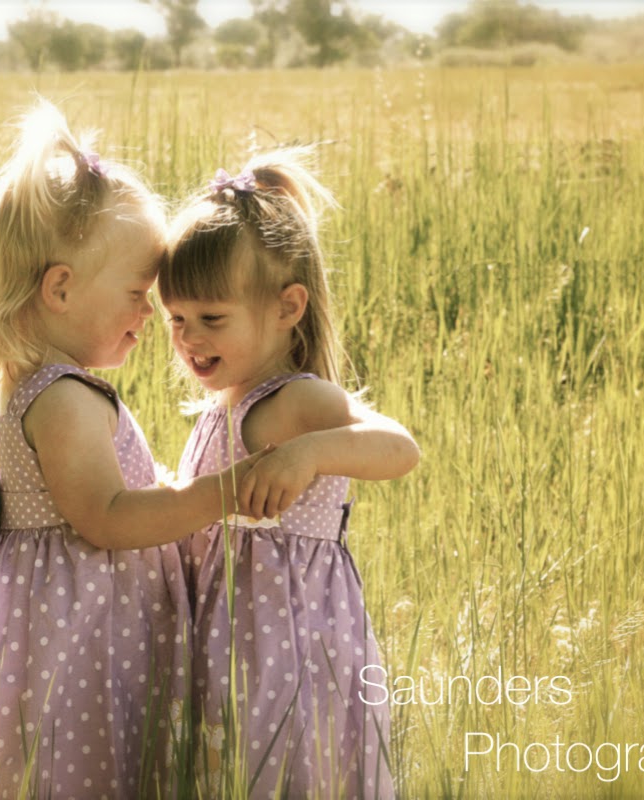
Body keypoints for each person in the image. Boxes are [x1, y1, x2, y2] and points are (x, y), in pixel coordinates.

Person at [0, 101, 267, 799]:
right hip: (78, 632)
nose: (148, 315)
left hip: (67, 617)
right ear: (61, 288)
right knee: (73, 767)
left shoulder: (47, 386)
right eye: (137, 293)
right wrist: (219, 494)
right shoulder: (63, 398)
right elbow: (105, 517)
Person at [159, 151, 420, 799]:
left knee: (288, 770)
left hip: (290, 644)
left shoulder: (297, 399)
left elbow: (399, 448)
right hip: (229, 639)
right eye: (177, 319)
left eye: (211, 319)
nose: (189, 338)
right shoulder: (222, 407)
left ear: (288, 307)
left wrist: (308, 455)